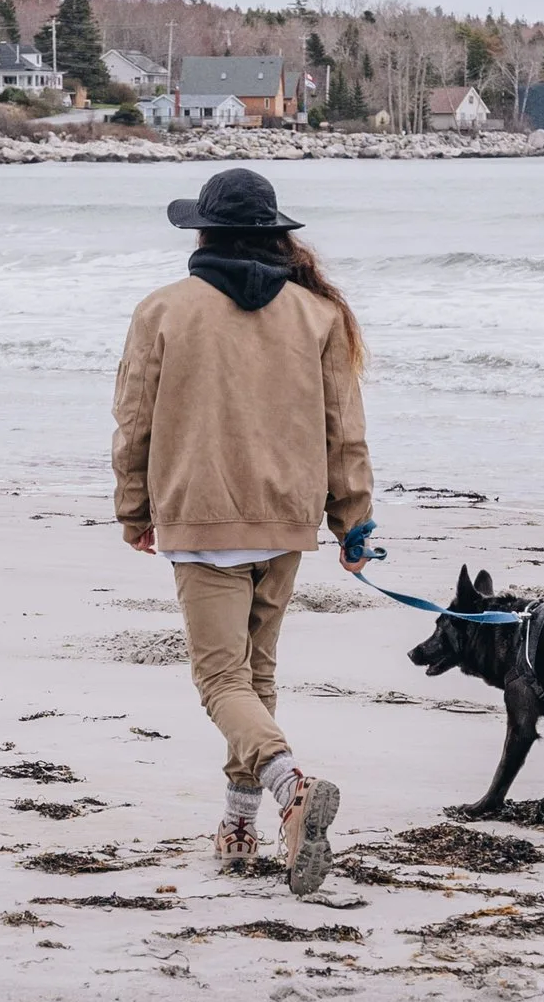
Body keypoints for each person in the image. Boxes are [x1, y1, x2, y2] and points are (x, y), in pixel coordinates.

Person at [111, 165, 378, 892]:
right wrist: (353, 522)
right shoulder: (317, 315)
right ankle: (238, 824)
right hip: (286, 522)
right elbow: (343, 432)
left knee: (220, 679)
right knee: (256, 676)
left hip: (201, 514)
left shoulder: (162, 310)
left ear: (203, 234)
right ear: (271, 239)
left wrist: (134, 509)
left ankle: (290, 788)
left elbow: (133, 421)